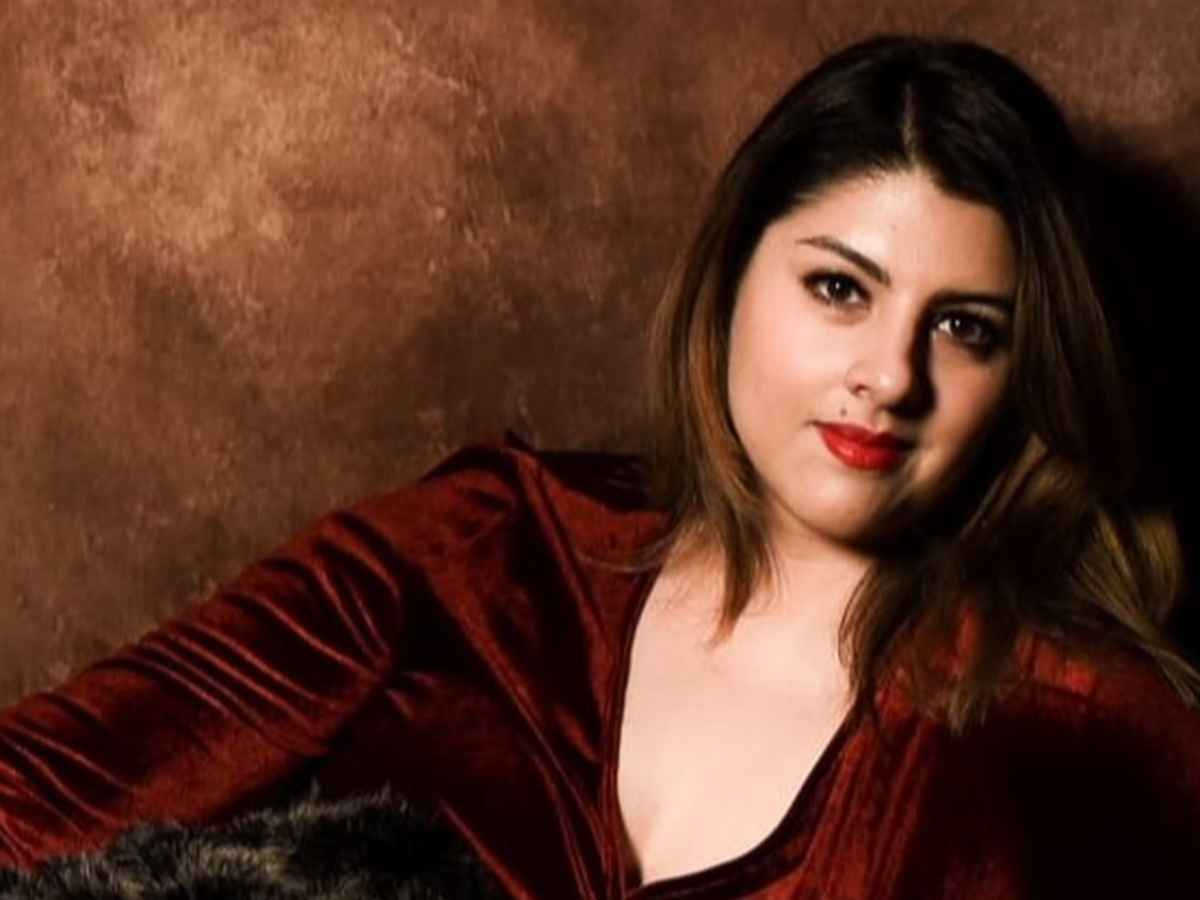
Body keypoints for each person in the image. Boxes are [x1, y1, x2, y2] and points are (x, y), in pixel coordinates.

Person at [2, 33, 1199, 899]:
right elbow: (38, 791)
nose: (889, 374)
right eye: (840, 288)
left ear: (1027, 375)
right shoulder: (486, 547)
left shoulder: (1080, 731)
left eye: (966, 328)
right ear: (732, 282)